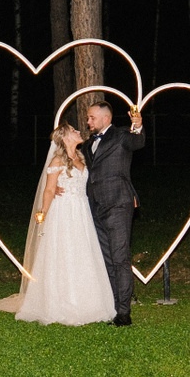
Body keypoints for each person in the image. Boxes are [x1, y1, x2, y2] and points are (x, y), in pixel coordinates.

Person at [11, 124, 117, 325]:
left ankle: (88, 302)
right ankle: (61, 303)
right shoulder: (57, 161)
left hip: (82, 211)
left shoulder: (83, 156)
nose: (78, 131)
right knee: (64, 253)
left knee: (83, 252)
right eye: (73, 131)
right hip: (64, 212)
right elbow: (50, 190)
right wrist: (43, 212)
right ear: (65, 137)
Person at [82, 100, 145, 326]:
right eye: (88, 118)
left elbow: (137, 141)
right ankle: (114, 307)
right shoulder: (88, 144)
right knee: (107, 259)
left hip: (118, 203)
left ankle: (124, 313)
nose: (88, 122)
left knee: (120, 258)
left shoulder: (120, 136)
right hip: (95, 206)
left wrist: (137, 125)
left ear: (106, 118)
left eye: (92, 118)